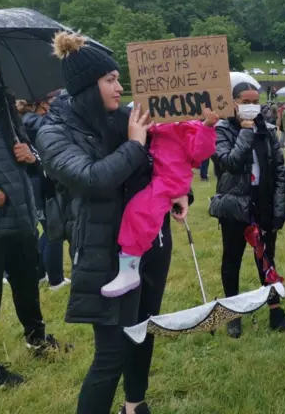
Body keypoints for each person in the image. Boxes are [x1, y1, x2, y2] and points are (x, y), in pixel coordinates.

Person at [37, 32, 188, 414]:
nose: (120, 87)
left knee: (142, 333)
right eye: (111, 80)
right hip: (105, 254)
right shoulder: (54, 132)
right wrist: (134, 145)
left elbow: (163, 164)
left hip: (151, 244)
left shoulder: (124, 117)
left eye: (119, 78)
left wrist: (180, 192)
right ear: (88, 86)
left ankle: (135, 405)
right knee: (111, 353)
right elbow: (92, 178)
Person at [0, 35, 61, 387]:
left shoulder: (6, 110)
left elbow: (32, 157)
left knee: (26, 286)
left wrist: (31, 157)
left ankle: (37, 339)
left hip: (20, 217)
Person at [210, 82, 285, 339]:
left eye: (255, 101)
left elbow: (280, 170)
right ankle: (233, 314)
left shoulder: (268, 130)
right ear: (233, 102)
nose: (251, 106)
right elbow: (230, 163)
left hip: (263, 204)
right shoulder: (222, 130)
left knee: (267, 259)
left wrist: (280, 207)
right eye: (245, 101)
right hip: (235, 206)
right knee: (232, 259)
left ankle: (276, 312)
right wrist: (246, 132)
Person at [102, 108, 217, 297]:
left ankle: (129, 269)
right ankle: (129, 268)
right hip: (164, 180)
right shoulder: (165, 123)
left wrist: (207, 127)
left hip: (170, 182)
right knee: (140, 214)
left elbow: (199, 152)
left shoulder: (189, 127)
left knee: (139, 212)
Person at [16, 91, 70, 290]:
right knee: (53, 230)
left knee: (47, 229)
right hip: (40, 182)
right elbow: (39, 158)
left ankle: (39, 273)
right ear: (40, 103)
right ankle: (55, 279)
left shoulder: (24, 120)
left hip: (34, 182)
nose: (57, 101)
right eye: (53, 98)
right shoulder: (34, 124)